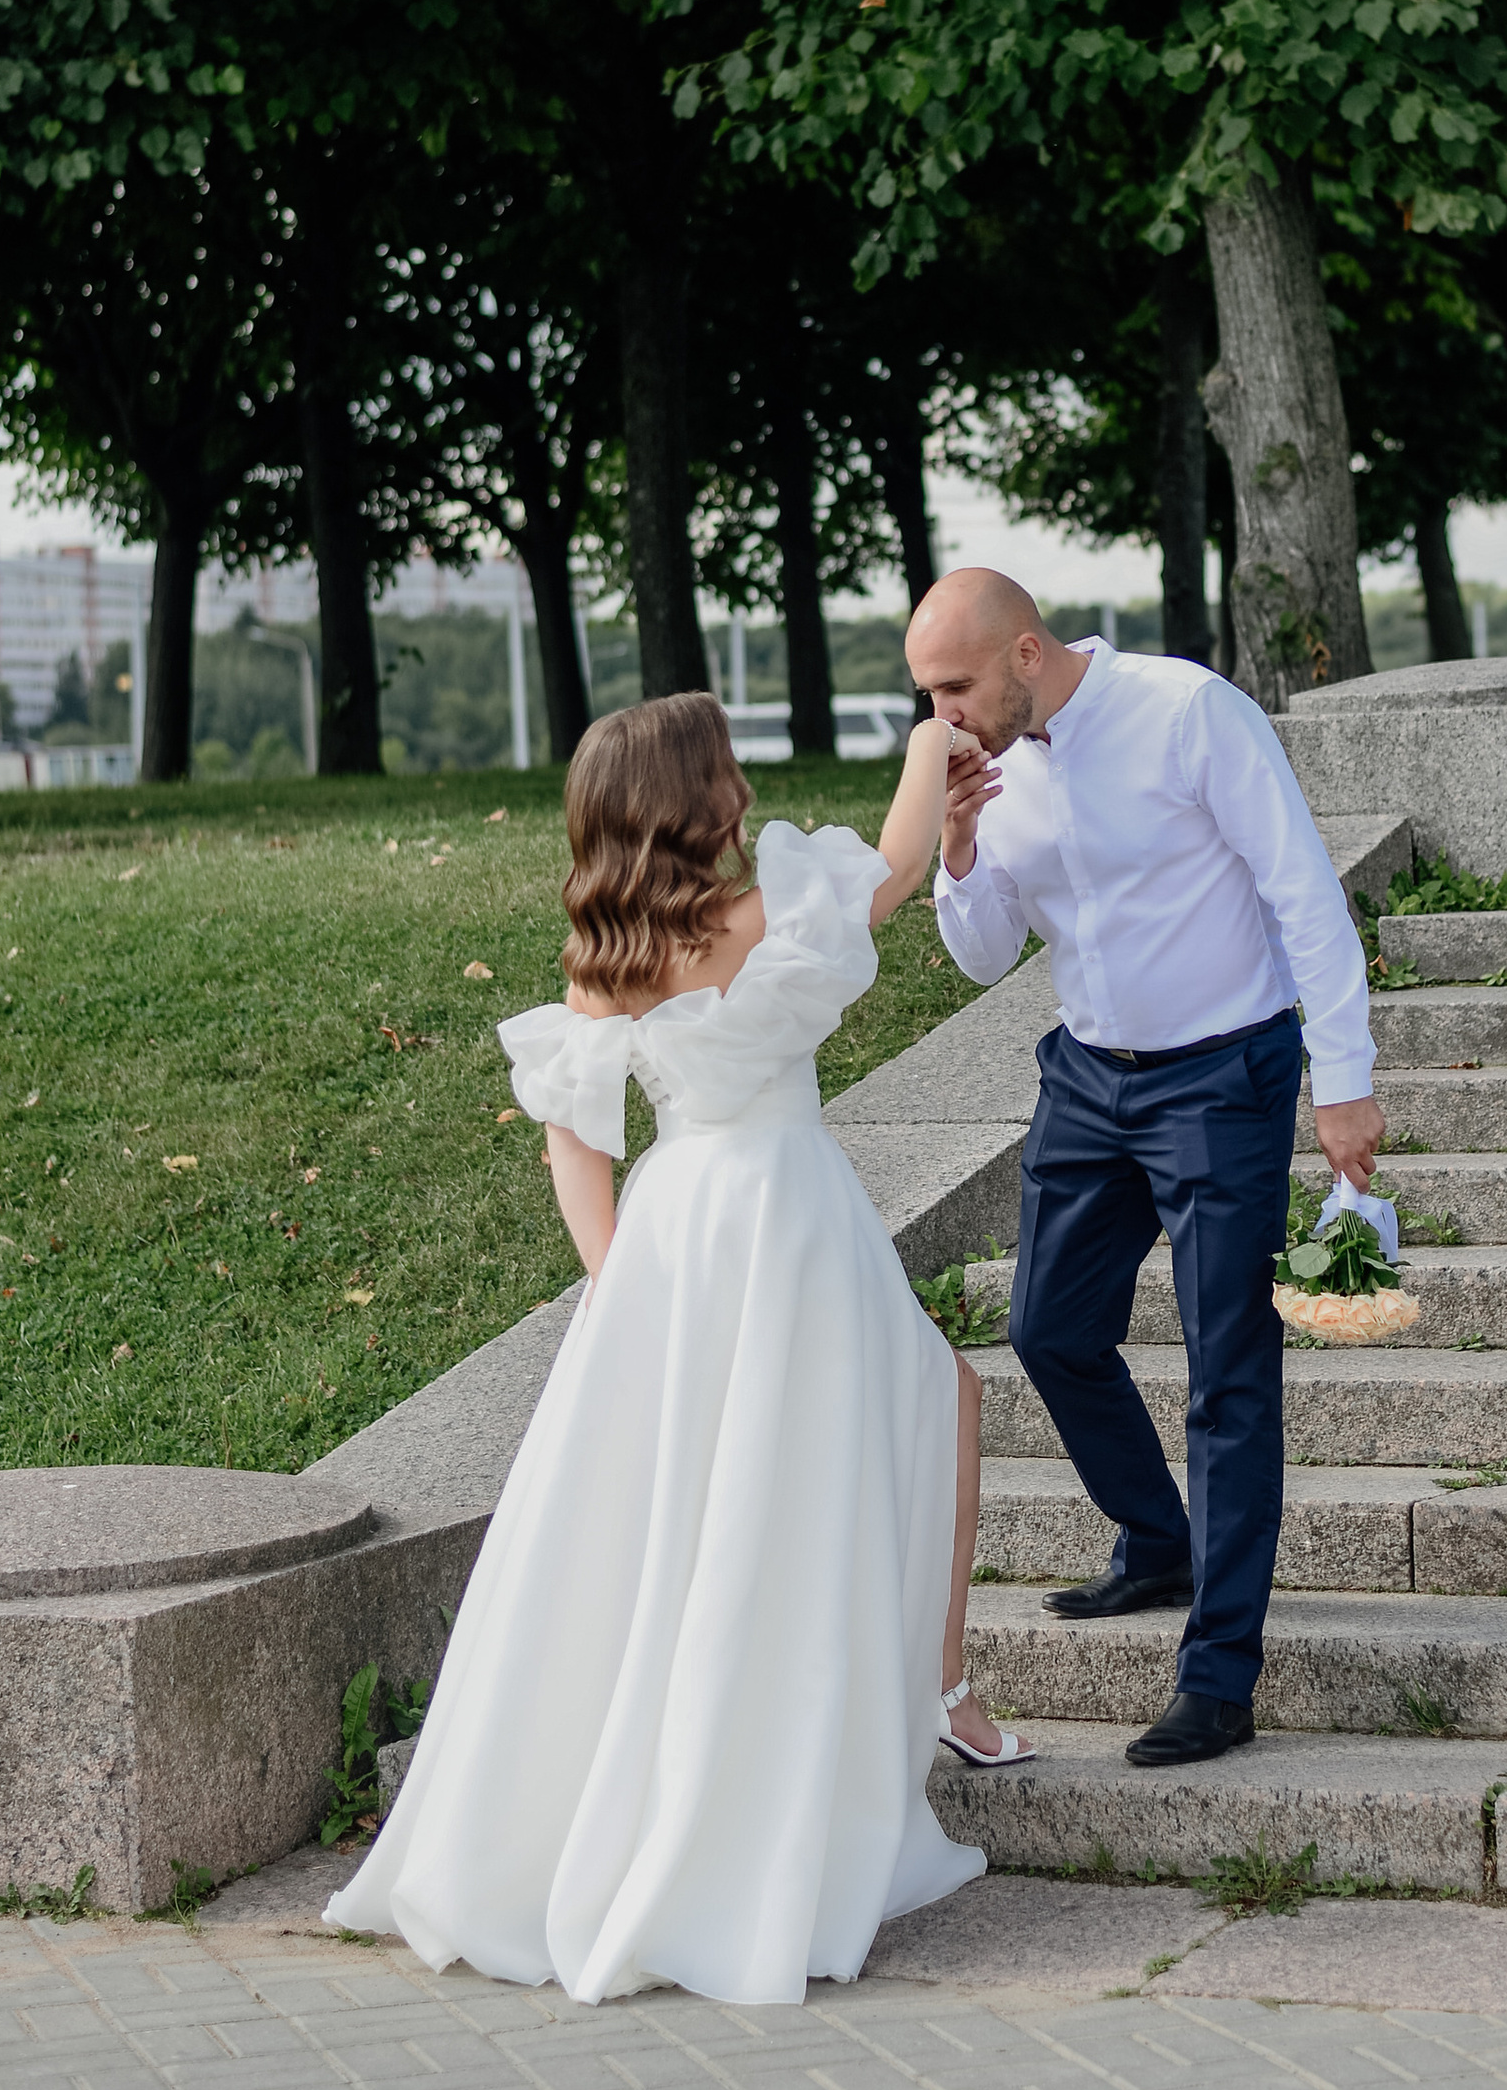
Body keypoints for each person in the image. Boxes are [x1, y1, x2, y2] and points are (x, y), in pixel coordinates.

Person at [324, 694, 1025, 2007]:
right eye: (729, 769)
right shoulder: (763, 915)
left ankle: (916, 1695)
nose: (749, 786)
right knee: (882, 1426)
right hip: (784, 1211)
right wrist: (936, 741)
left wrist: (615, 1282)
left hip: (679, 1226)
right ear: (696, 801)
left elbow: (571, 1137)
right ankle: (932, 1693)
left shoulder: (612, 957)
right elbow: (895, 868)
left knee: (728, 1485)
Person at [907, 569, 1384, 1768]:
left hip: (1225, 1073)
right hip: (1087, 1077)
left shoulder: (1187, 711)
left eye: (953, 687)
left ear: (1025, 652)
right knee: (1046, 1327)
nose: (939, 719)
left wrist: (1344, 1081)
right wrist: (957, 847)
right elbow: (980, 956)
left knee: (1229, 1367)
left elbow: (1303, 894)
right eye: (923, 696)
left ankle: (1220, 1673)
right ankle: (1154, 1538)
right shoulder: (986, 770)